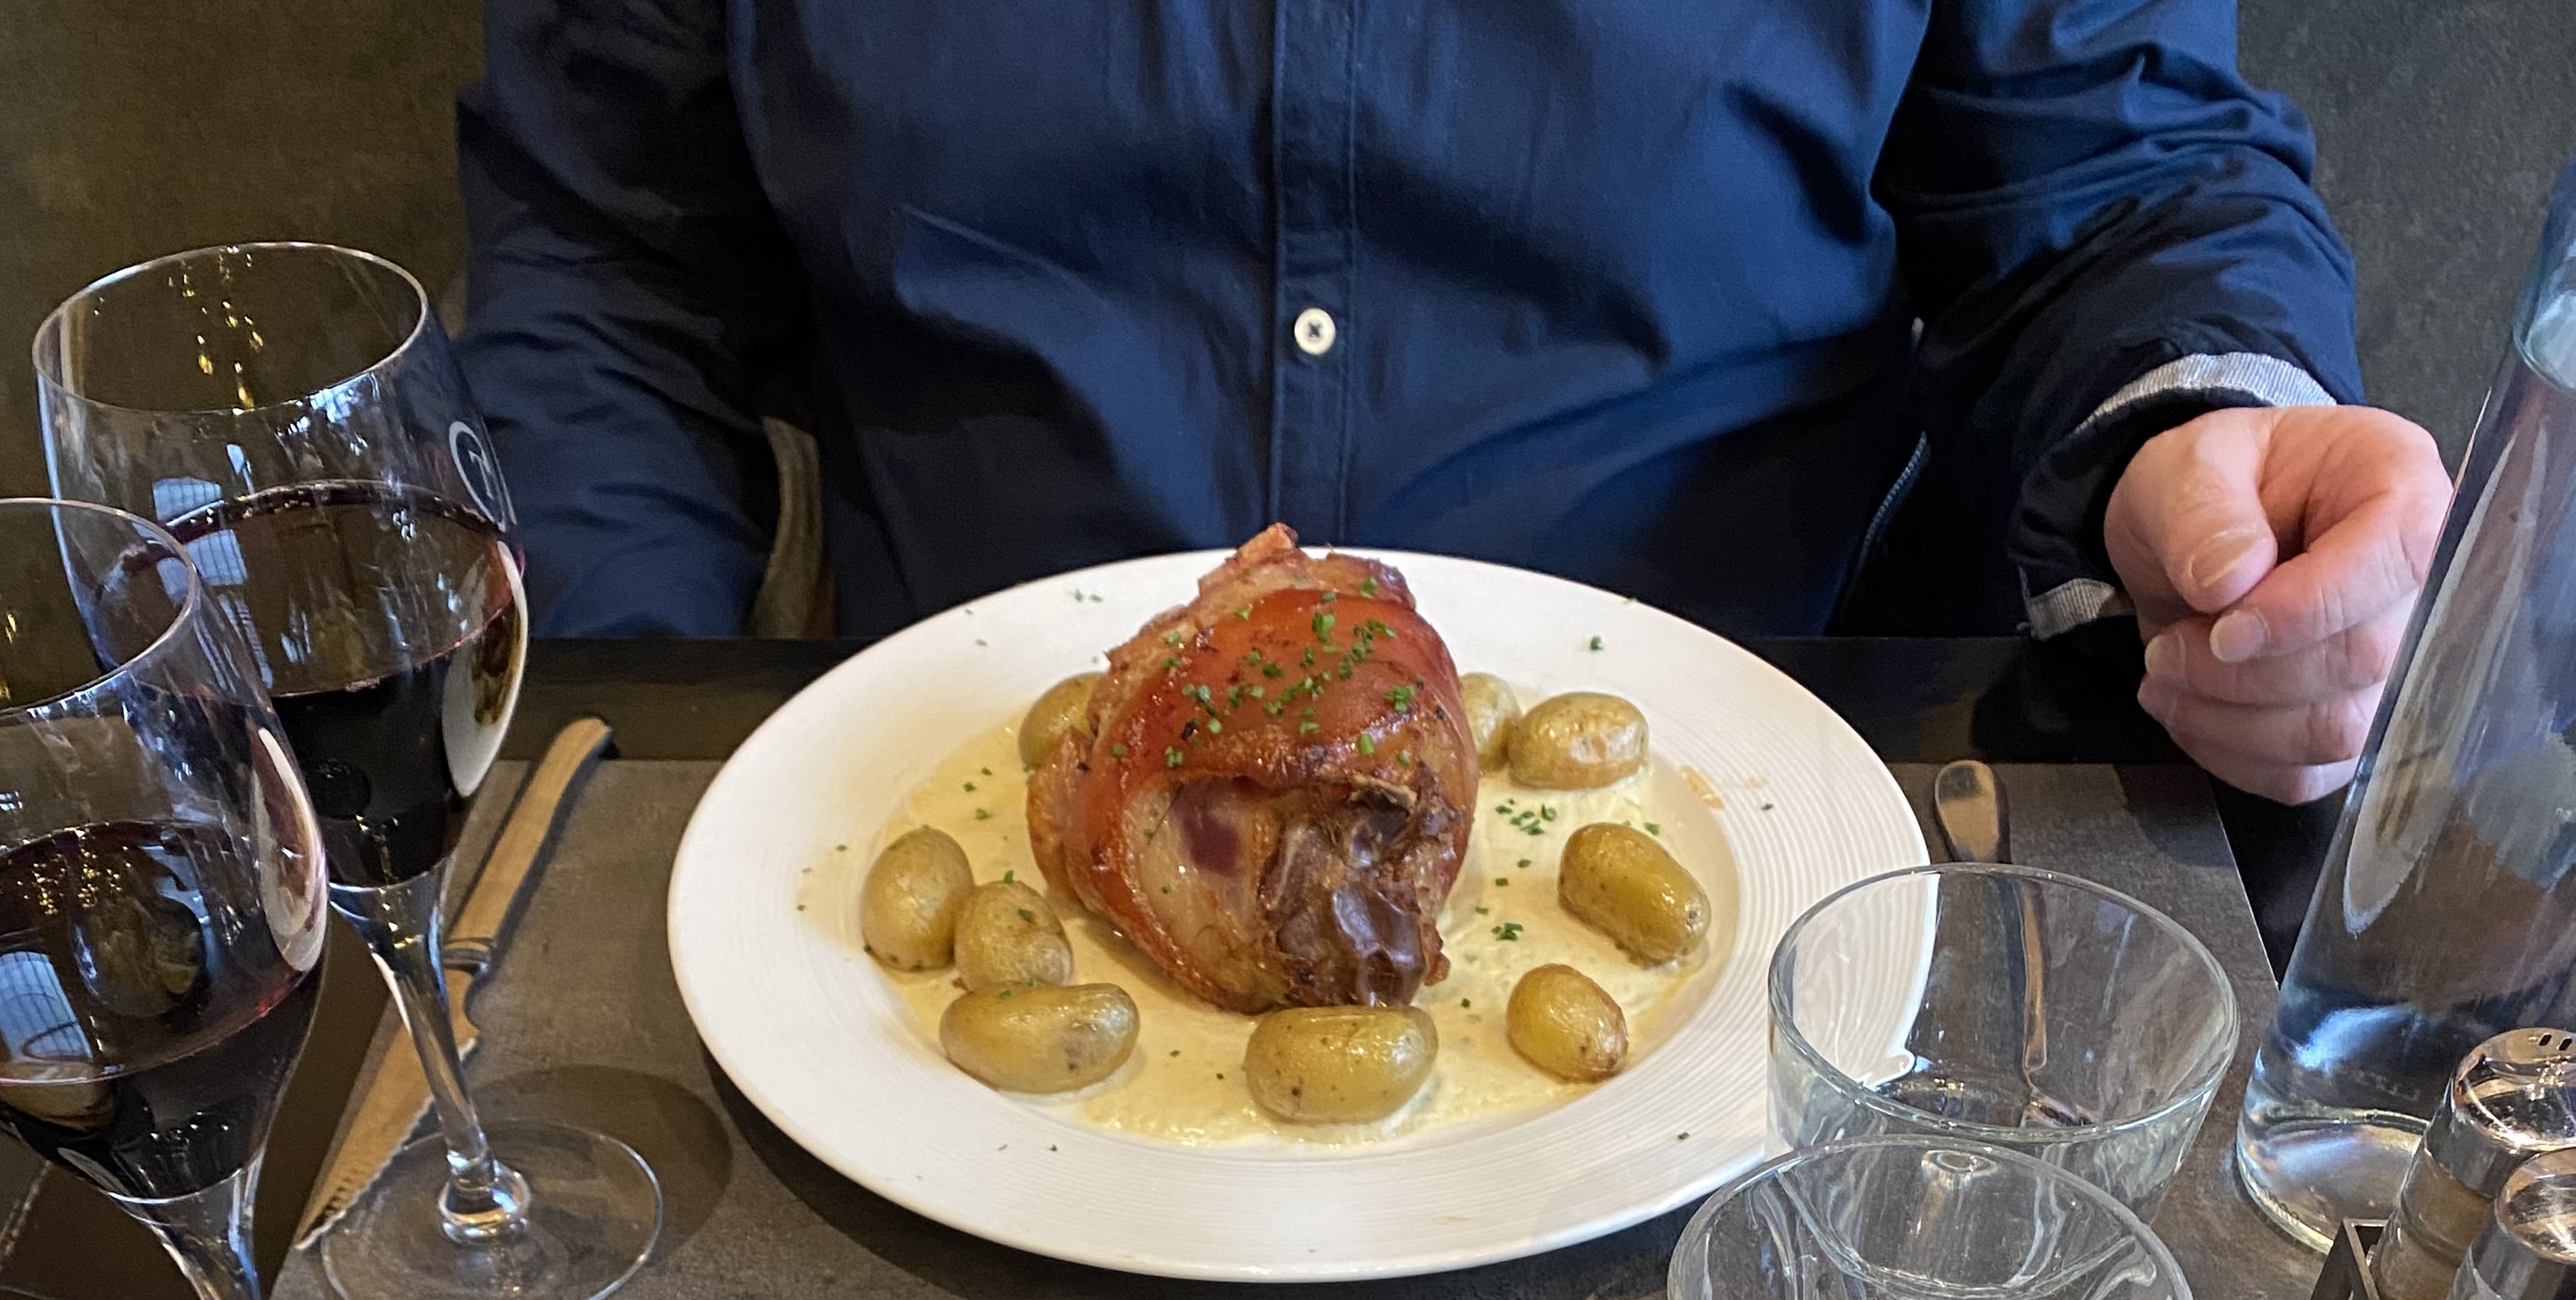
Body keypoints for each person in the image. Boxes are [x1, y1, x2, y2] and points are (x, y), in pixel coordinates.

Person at [454, 0, 2451, 803]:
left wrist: (2195, 438)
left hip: (1745, 842)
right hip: (954, 813)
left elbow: (2117, 182)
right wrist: (618, 772)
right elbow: (609, 263)